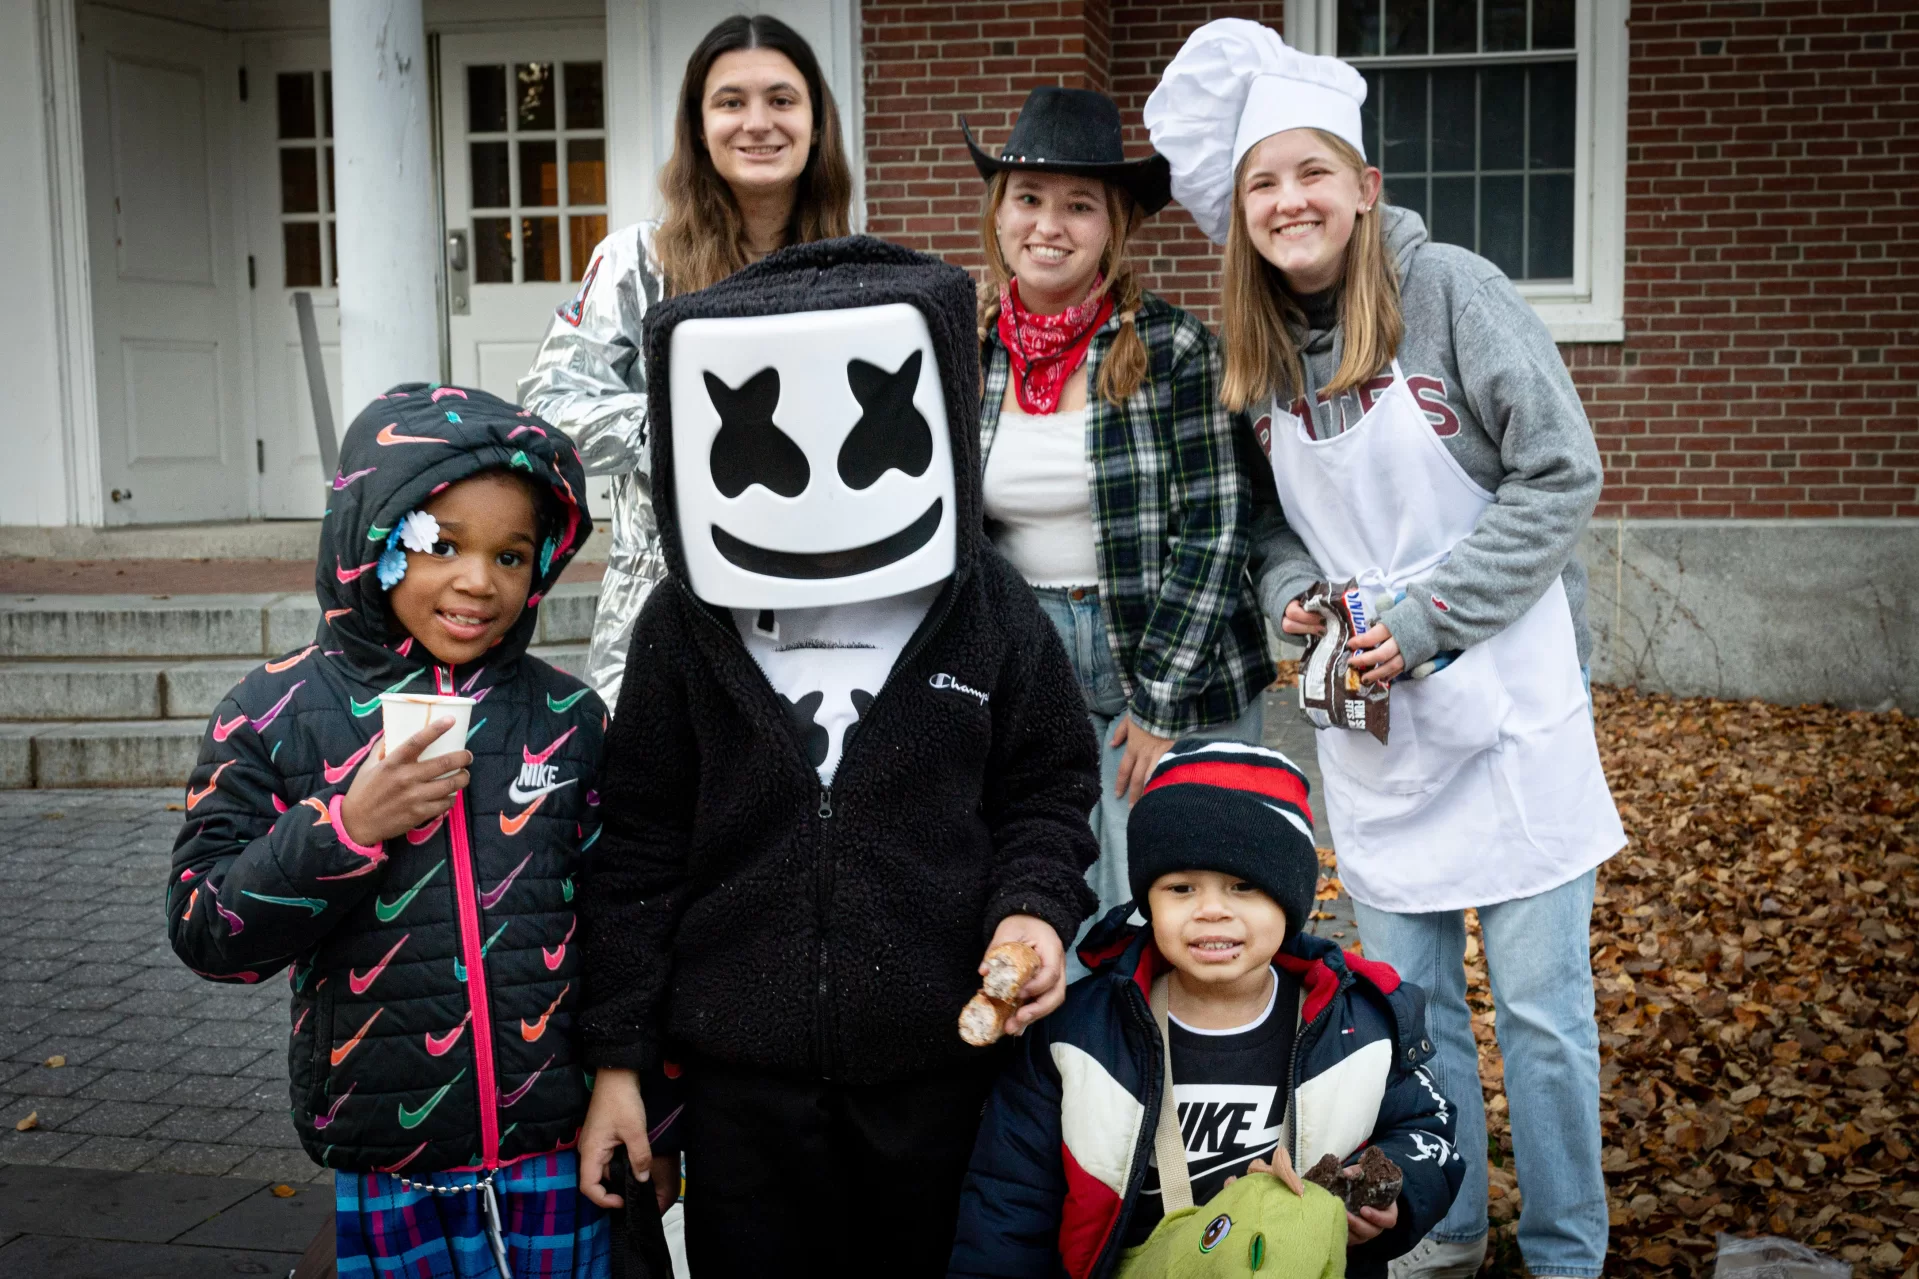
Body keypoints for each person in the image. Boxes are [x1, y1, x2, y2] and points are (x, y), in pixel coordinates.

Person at [1146, 21, 1627, 1279]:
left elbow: (1559, 471)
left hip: (1507, 703)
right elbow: (1265, 531)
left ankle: (1570, 1248)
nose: (1288, 200)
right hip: (1374, 730)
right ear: (1239, 212)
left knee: (1538, 1012)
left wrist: (1418, 627)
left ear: (1363, 186)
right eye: (1262, 182)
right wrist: (1299, 595)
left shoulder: (1452, 291)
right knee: (1409, 1019)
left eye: (1311, 173)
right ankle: (1448, 1224)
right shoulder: (1253, 351)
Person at [570, 236, 1102, 1277]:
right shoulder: (688, 624)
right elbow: (635, 845)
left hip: (941, 1070)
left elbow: (1045, 785)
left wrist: (1032, 907)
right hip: (741, 1088)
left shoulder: (985, 605)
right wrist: (618, 1061)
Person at [168, 386, 611, 1275]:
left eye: (512, 554)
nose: (479, 581)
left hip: (557, 1151)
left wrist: (643, 1092)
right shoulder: (275, 712)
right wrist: (346, 826)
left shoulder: (567, 714)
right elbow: (207, 930)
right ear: (369, 541)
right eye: (439, 545)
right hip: (388, 1160)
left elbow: (623, 915)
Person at [949, 740, 1464, 1279]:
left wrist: (1396, 1197)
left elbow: (1428, 1131)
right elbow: (1009, 1200)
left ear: (1290, 901)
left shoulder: (1357, 1026)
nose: (1212, 910)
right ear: (1149, 901)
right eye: (1181, 887)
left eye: (1244, 886)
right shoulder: (1077, 1036)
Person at [965, 88, 1273, 968]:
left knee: (1173, 894)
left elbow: (1217, 529)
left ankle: (1184, 1081)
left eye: (1078, 204)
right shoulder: (964, 351)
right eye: (1027, 198)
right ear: (999, 213)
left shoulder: (1175, 350)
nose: (1047, 225)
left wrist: (1158, 705)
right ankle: (1080, 1083)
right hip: (1031, 649)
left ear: (1114, 225)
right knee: (1054, 876)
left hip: (1168, 648)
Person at [521, 13, 855, 709]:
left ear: (816, 123)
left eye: (781, 100)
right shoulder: (637, 262)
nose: (757, 122)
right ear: (699, 128)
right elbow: (547, 406)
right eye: (730, 101)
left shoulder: (861, 272)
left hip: (826, 602)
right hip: (662, 601)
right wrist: (685, 424)